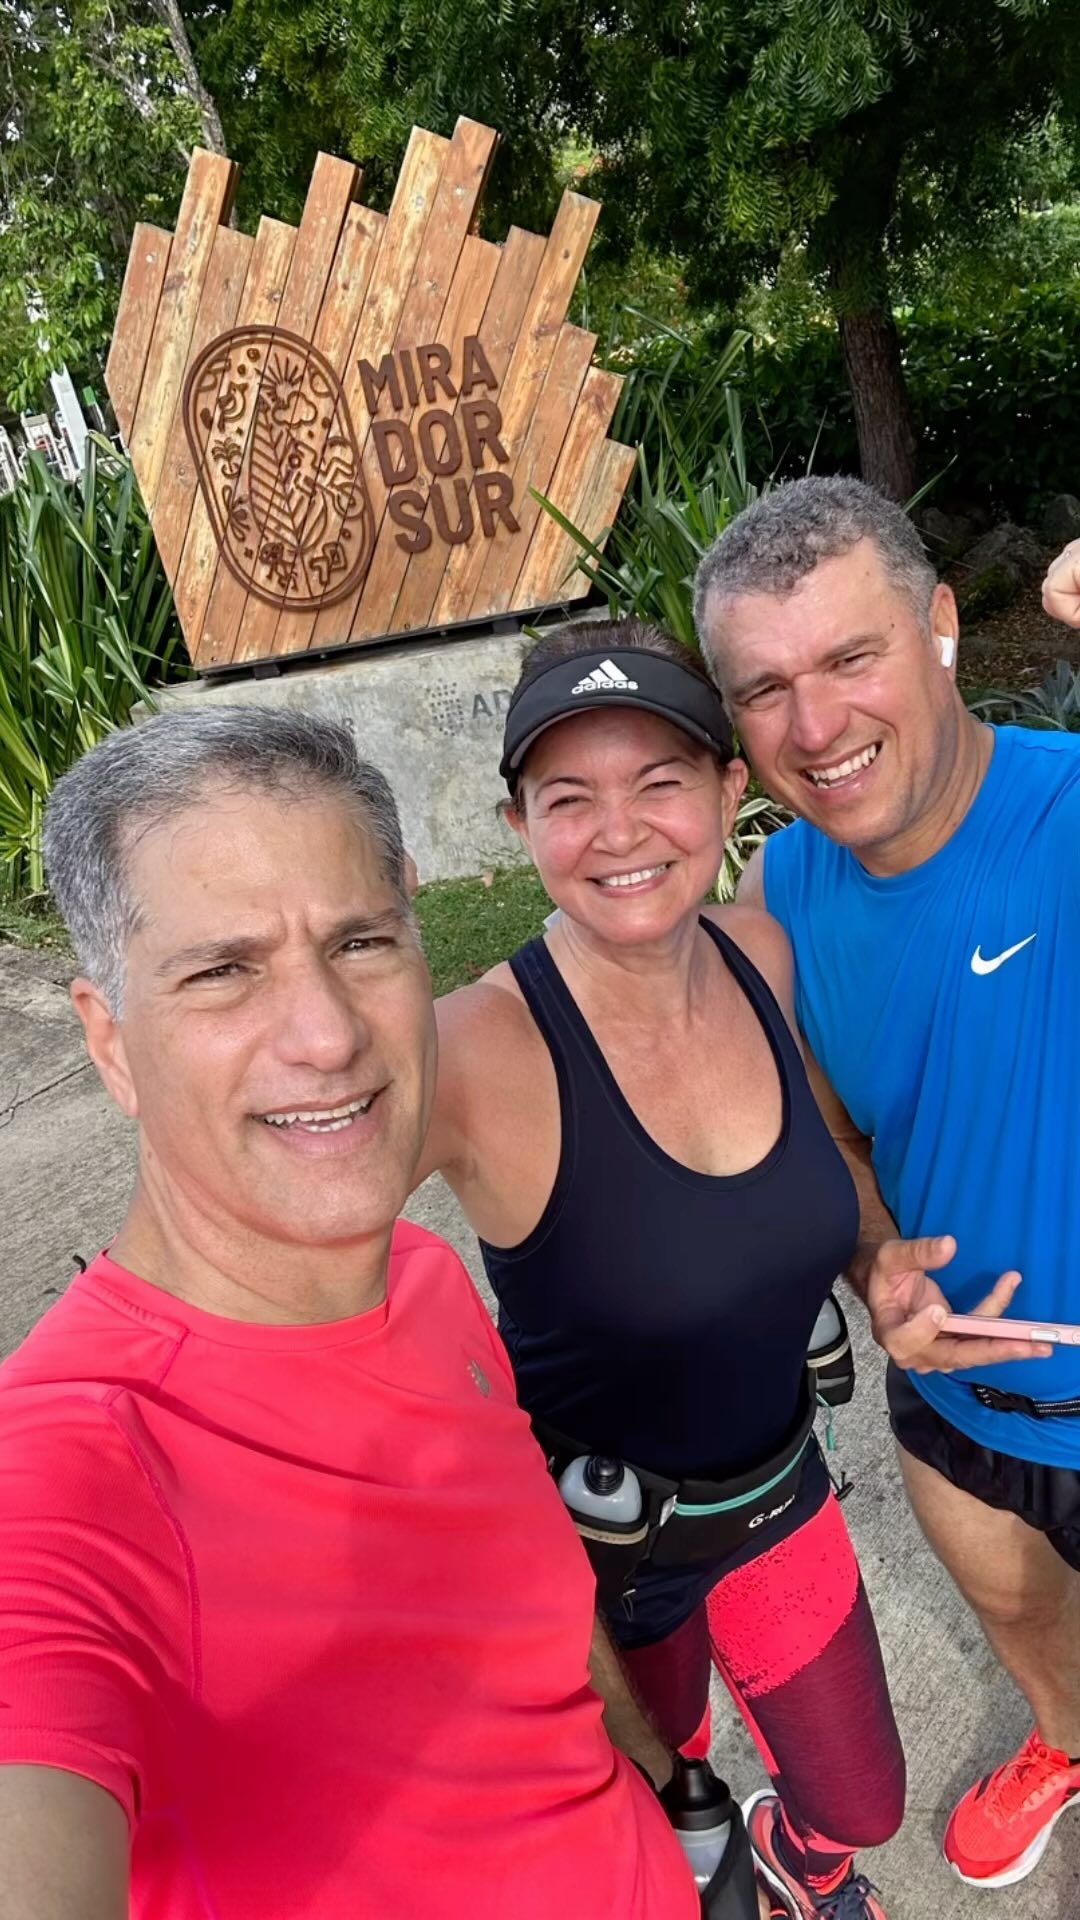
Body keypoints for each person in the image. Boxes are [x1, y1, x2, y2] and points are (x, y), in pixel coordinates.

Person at [0, 706, 707, 1920]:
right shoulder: (76, 1472)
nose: (327, 1034)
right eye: (223, 971)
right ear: (109, 1043)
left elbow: (526, 1594)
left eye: (362, 941)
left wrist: (660, 1780)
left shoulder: (428, 1280)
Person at [417, 617, 906, 1920]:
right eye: (569, 797)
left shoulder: (761, 956)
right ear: (519, 825)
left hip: (777, 1494)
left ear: (727, 790)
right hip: (601, 1560)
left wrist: (875, 1267)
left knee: (861, 1808)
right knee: (660, 1823)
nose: (620, 831)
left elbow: (821, 1167)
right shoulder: (469, 1050)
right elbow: (271, 1218)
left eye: (660, 782)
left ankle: (803, 1864)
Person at [695, 475, 1080, 1894]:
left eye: (852, 657)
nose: (816, 726)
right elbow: (835, 1138)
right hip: (956, 1416)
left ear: (937, 626)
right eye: (766, 688)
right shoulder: (781, 903)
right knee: (1033, 1629)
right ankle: (1064, 1732)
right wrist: (868, 1260)